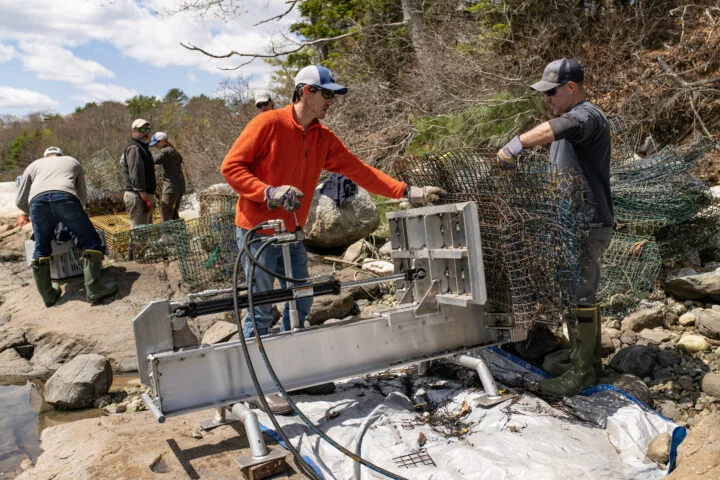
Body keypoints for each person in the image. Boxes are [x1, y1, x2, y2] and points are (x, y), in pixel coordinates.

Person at [221, 65, 443, 411]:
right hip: (258, 231)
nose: (332, 102)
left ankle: (294, 375)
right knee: (261, 305)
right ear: (305, 92)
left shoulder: (322, 138)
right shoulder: (268, 124)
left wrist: (407, 191)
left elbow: (359, 170)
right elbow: (231, 167)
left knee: (301, 301)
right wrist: (269, 192)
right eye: (327, 94)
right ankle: (259, 385)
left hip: (292, 232)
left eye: (334, 95)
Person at [497, 58, 613, 397]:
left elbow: (557, 128)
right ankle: (583, 363)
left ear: (571, 88)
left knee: (582, 293)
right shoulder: (570, 120)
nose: (547, 99)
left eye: (552, 92)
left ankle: (583, 374)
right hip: (569, 221)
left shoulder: (587, 116)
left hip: (587, 222)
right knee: (573, 293)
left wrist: (515, 145)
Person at [15, 146, 118, 307]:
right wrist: (73, 217)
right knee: (91, 241)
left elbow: (20, 200)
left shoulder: (33, 165)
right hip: (65, 197)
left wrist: (34, 215)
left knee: (41, 248)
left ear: (45, 156)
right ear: (60, 155)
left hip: (37, 202)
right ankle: (94, 288)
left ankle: (48, 295)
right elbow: (82, 196)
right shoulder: (72, 161)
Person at [122, 119, 157, 228]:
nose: (146, 131)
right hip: (138, 195)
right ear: (133, 132)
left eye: (147, 128)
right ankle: (135, 246)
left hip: (143, 194)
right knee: (139, 232)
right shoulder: (134, 148)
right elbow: (135, 173)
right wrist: (144, 196)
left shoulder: (143, 147)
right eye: (142, 129)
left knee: (146, 232)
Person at [150, 132, 186, 222]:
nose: (155, 147)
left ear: (162, 141)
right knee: (174, 213)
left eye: (156, 144)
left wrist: (145, 155)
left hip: (170, 188)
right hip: (180, 187)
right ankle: (179, 234)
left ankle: (167, 235)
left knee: (166, 213)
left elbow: (154, 160)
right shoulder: (173, 150)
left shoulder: (166, 151)